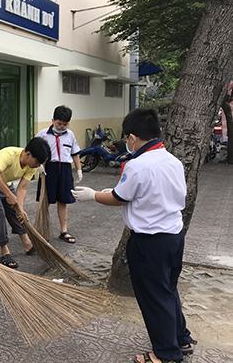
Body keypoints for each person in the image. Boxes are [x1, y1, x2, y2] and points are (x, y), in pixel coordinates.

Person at [72, 108, 195, 363]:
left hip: (149, 242)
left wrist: (93, 195)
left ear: (132, 137)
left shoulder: (138, 165)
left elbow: (118, 198)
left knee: (153, 296)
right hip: (173, 236)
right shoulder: (172, 161)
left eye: (126, 138)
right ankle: (181, 338)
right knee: (167, 289)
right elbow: (146, 193)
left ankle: (166, 354)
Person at [0, 137, 50, 269]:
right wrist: (9, 194)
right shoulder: (9, 154)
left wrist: (20, 209)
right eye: (37, 162)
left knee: (15, 213)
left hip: (5, 182)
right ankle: (4, 251)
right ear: (28, 154)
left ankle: (27, 243)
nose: (38, 165)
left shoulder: (31, 166)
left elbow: (22, 188)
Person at [36, 105, 83, 244]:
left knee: (63, 200)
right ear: (52, 120)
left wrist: (79, 169)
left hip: (65, 170)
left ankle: (64, 231)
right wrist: (39, 165)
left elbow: (75, 153)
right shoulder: (43, 134)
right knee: (45, 200)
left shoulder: (70, 135)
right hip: (48, 169)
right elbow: (34, 151)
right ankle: (41, 229)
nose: (62, 126)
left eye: (65, 124)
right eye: (59, 123)